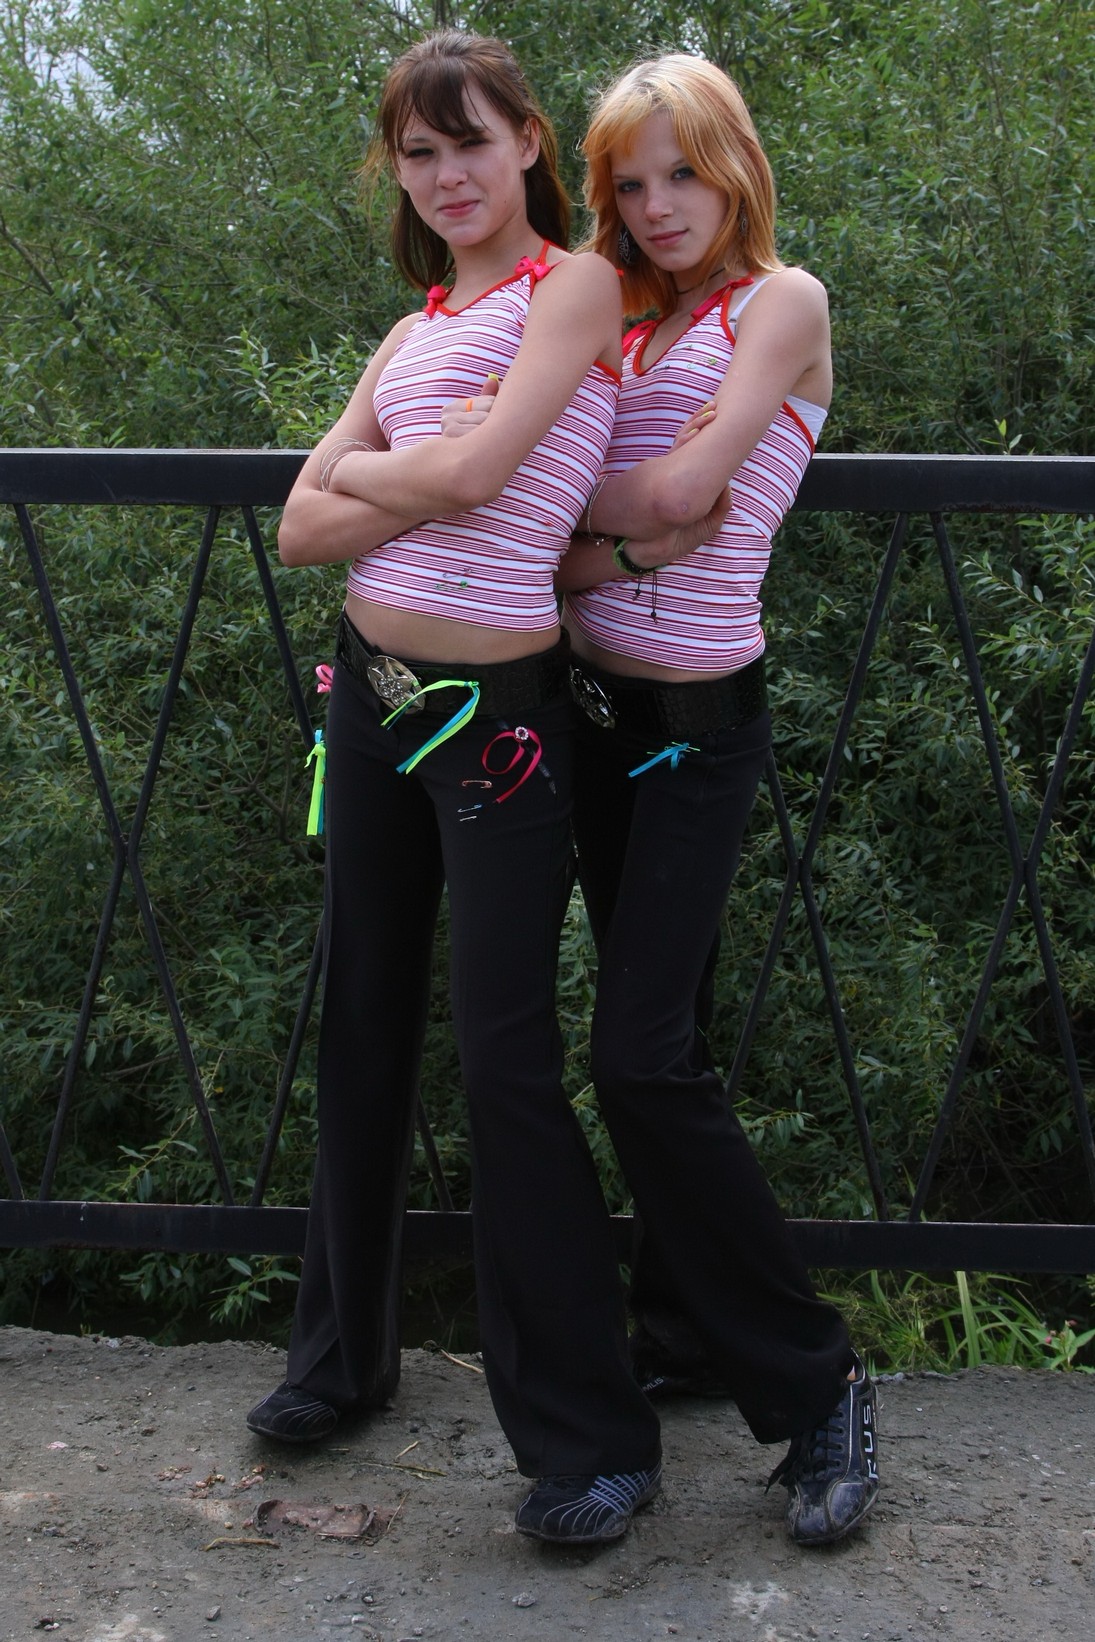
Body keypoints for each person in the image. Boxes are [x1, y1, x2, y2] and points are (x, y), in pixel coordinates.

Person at [244, 27, 691, 1547]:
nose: (445, 174)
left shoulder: (573, 286)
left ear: (528, 143)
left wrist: (388, 472)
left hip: (497, 723)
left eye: (470, 142)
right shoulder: (415, 326)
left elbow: (478, 477)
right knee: (361, 1021)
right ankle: (339, 1362)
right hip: (371, 703)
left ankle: (591, 1439)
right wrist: (411, 467)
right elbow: (299, 528)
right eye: (418, 152)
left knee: (506, 1060)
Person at [552, 54, 880, 1547]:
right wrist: (603, 534)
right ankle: (679, 1327)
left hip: (694, 732)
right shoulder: (621, 313)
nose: (658, 205)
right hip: (591, 718)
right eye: (630, 183)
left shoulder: (780, 304)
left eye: (683, 171)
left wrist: (582, 526)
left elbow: (687, 496)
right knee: (661, 1042)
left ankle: (820, 1387)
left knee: (635, 1062)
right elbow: (574, 492)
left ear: (736, 164)